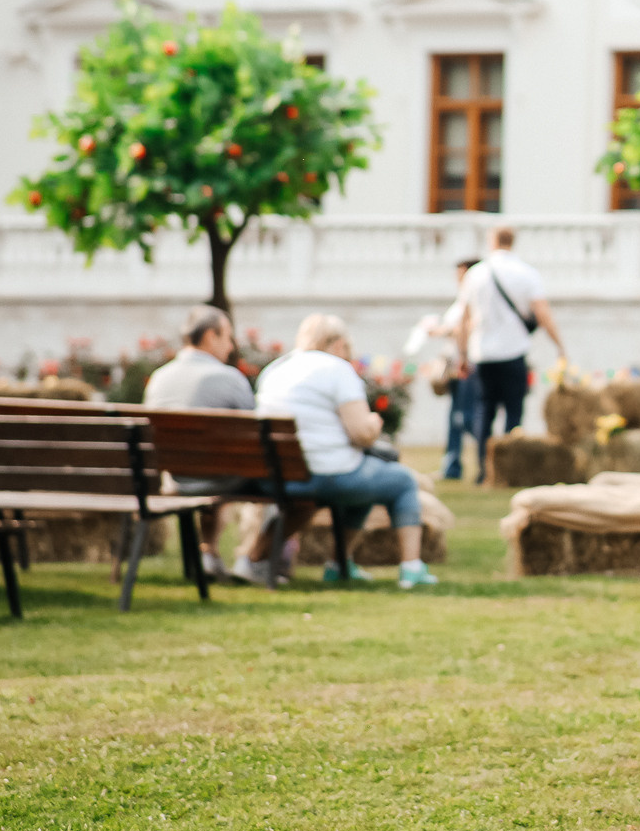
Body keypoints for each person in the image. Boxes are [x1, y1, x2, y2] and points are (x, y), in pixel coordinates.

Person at [237, 314, 437, 591]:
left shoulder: (276, 369)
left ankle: (340, 564)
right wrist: (374, 425)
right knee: (401, 481)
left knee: (364, 482)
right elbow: (361, 434)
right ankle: (412, 568)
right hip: (327, 474)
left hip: (279, 475)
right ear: (339, 344)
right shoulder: (337, 369)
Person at [142, 304, 258, 582]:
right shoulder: (229, 378)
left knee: (214, 467)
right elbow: (255, 434)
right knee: (255, 475)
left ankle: (209, 554)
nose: (231, 347)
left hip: (174, 477)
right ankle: (252, 559)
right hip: (220, 478)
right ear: (210, 336)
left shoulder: (159, 379)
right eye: (228, 337)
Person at [453, 227, 568, 481]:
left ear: (491, 241)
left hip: (482, 353)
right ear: (512, 242)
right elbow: (542, 313)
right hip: (514, 351)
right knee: (514, 411)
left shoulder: (476, 274)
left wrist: (461, 355)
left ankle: (484, 469)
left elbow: (463, 318)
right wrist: (559, 345)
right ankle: (508, 470)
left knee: (485, 410)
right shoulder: (526, 273)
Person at [405, 260, 481, 480]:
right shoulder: (461, 300)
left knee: (464, 417)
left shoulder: (476, 299)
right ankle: (452, 465)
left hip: (468, 365)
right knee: (455, 417)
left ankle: (485, 456)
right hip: (455, 365)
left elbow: (467, 328)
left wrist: (439, 331)